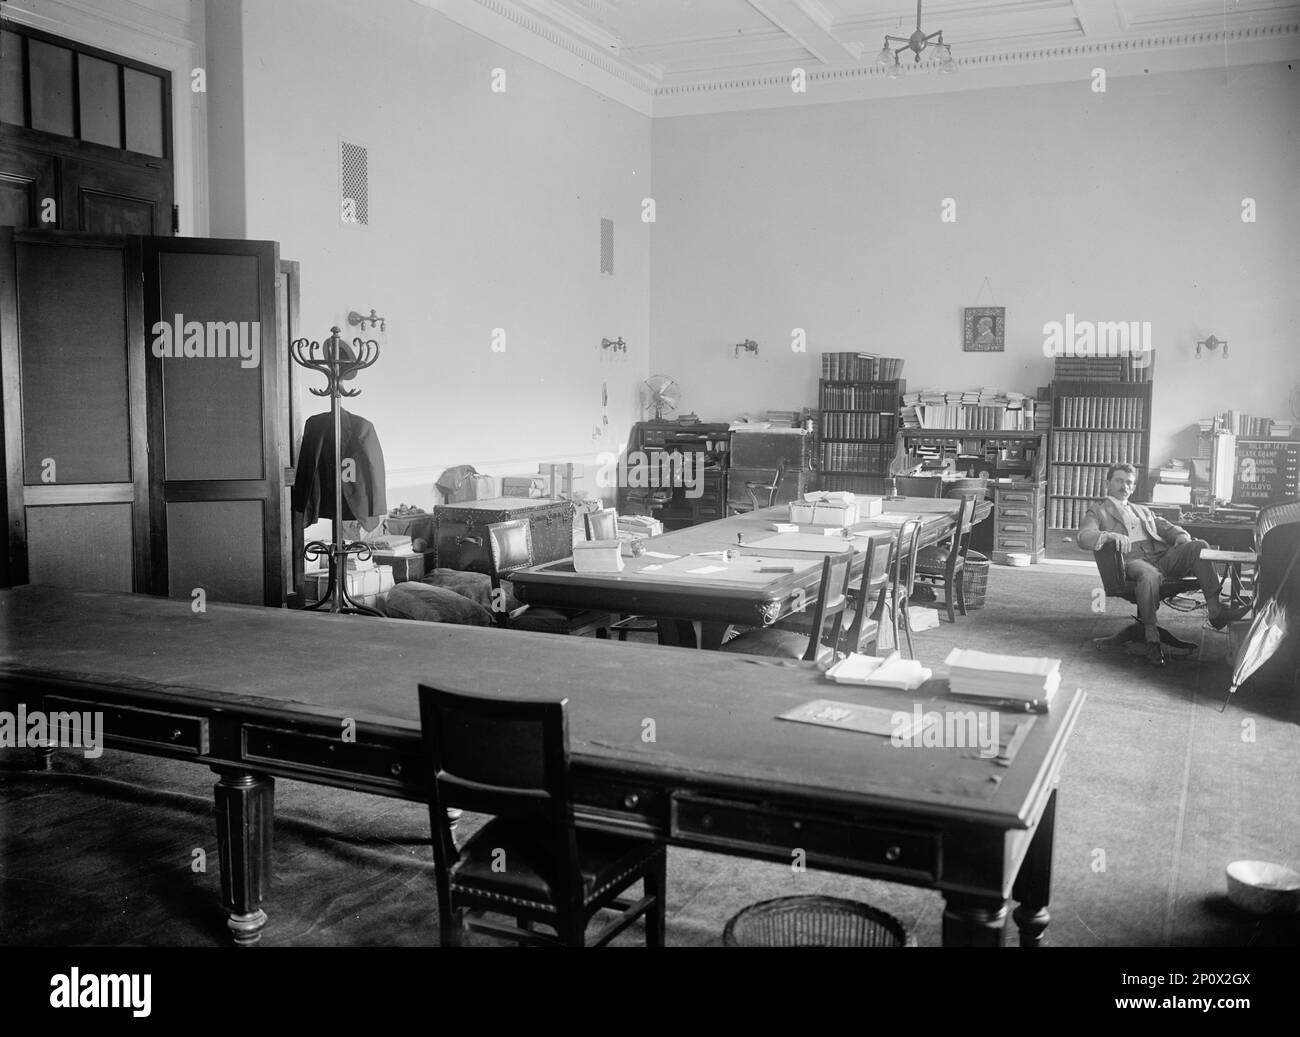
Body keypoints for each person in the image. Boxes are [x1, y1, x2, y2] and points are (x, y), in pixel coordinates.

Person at [1078, 462, 1249, 666]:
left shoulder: (1142, 510)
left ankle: (1215, 611)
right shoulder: (1098, 511)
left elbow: (1168, 527)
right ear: (1108, 483)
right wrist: (1108, 535)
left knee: (1199, 545)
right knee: (1149, 575)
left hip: (1160, 557)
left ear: (1133, 488)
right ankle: (1151, 636)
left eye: (1129, 483)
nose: (1124, 486)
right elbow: (1083, 537)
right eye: (1119, 481)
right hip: (1131, 560)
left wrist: (1180, 536)